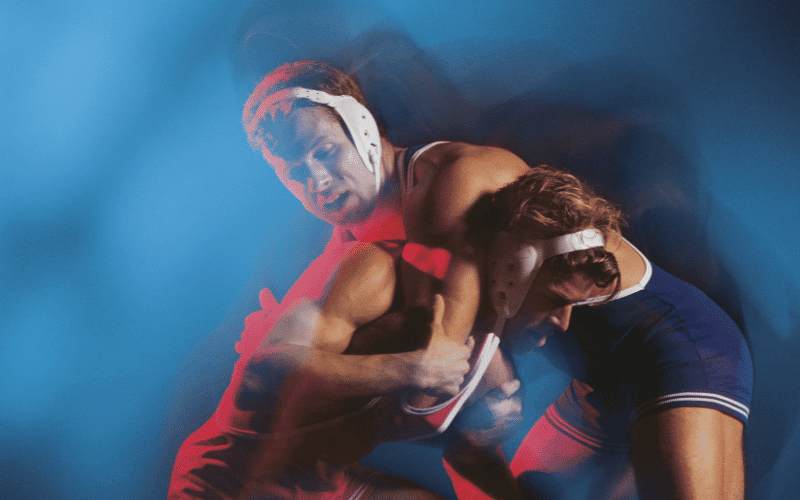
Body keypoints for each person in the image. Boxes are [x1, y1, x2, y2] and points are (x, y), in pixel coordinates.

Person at [169, 60, 533, 499]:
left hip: (317, 476)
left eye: (324, 153)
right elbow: (267, 369)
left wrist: (470, 416)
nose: (318, 182)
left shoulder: (451, 185)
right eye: (296, 173)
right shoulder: (357, 259)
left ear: (363, 126)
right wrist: (410, 370)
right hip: (235, 481)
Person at [445, 165, 753, 500]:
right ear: (506, 272)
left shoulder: (538, 252)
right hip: (609, 376)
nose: (563, 323)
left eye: (571, 304)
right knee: (510, 479)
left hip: (688, 354)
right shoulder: (488, 254)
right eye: (553, 301)